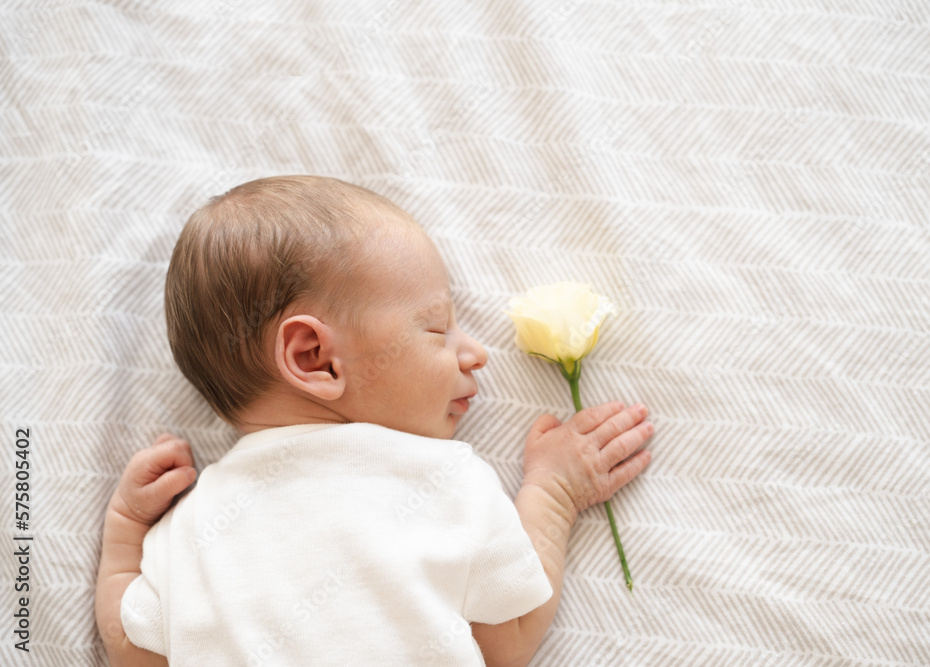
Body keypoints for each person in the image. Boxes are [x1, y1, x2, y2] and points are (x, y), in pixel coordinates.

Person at [94, 175, 654, 666]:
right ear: (315, 358)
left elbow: (131, 650)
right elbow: (506, 640)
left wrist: (124, 529)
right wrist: (553, 495)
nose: (476, 351)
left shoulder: (194, 526)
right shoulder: (441, 478)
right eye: (437, 328)